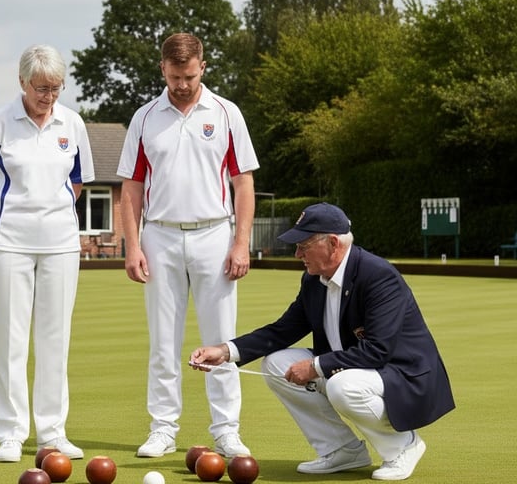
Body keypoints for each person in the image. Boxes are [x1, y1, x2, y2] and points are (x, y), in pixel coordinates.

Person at [191, 202, 455, 481]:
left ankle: (403, 446)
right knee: (276, 364)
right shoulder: (313, 279)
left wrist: (316, 366)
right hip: (357, 368)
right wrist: (225, 351)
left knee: (342, 386)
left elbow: (377, 350)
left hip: (403, 374)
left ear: (333, 243)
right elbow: (283, 330)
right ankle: (342, 450)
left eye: (303, 246)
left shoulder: (379, 276)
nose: (297, 254)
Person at [117, 33, 259, 458]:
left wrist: (241, 243)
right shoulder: (144, 118)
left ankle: (227, 430)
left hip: (214, 234)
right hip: (159, 235)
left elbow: (243, 182)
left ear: (203, 68)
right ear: (163, 68)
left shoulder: (227, 113)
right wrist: (132, 246)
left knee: (222, 339)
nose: (182, 85)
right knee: (163, 341)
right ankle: (162, 429)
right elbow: (131, 187)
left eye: (190, 76)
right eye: (175, 76)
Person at [0, 44, 94, 463]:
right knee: (11, 340)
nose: (48, 96)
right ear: (22, 81)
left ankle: (52, 433)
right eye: (41, 88)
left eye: (56, 88)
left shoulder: (72, 123)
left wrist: (52, 215)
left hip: (61, 244)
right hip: (8, 245)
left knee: (56, 339)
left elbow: (77, 183)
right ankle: (11, 434)